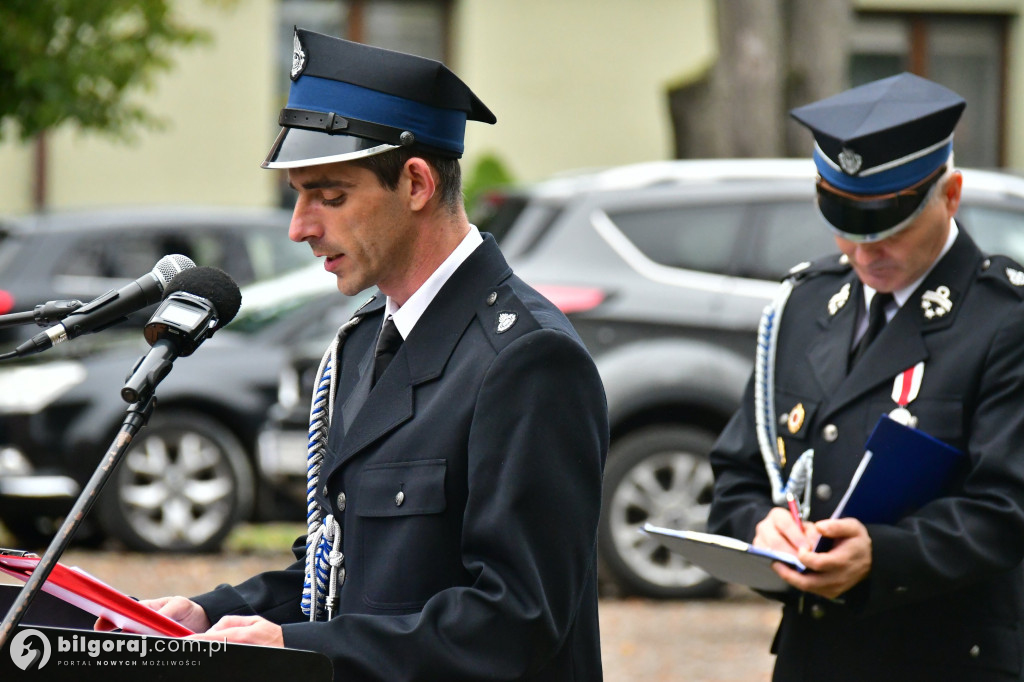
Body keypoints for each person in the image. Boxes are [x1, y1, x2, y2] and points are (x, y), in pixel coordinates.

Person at [134, 29, 608, 681]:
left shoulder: (526, 358)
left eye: (329, 196)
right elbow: (335, 568)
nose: (300, 226)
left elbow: (516, 623)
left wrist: (303, 649)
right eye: (296, 196)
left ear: (415, 183)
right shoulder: (361, 342)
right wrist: (210, 613)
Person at [707, 72, 1024, 681]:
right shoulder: (805, 304)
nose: (864, 252)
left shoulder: (1001, 319)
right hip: (817, 657)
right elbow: (739, 474)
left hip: (946, 660)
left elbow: (1006, 508)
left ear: (950, 194)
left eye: (890, 228)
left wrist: (882, 556)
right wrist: (759, 530)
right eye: (846, 227)